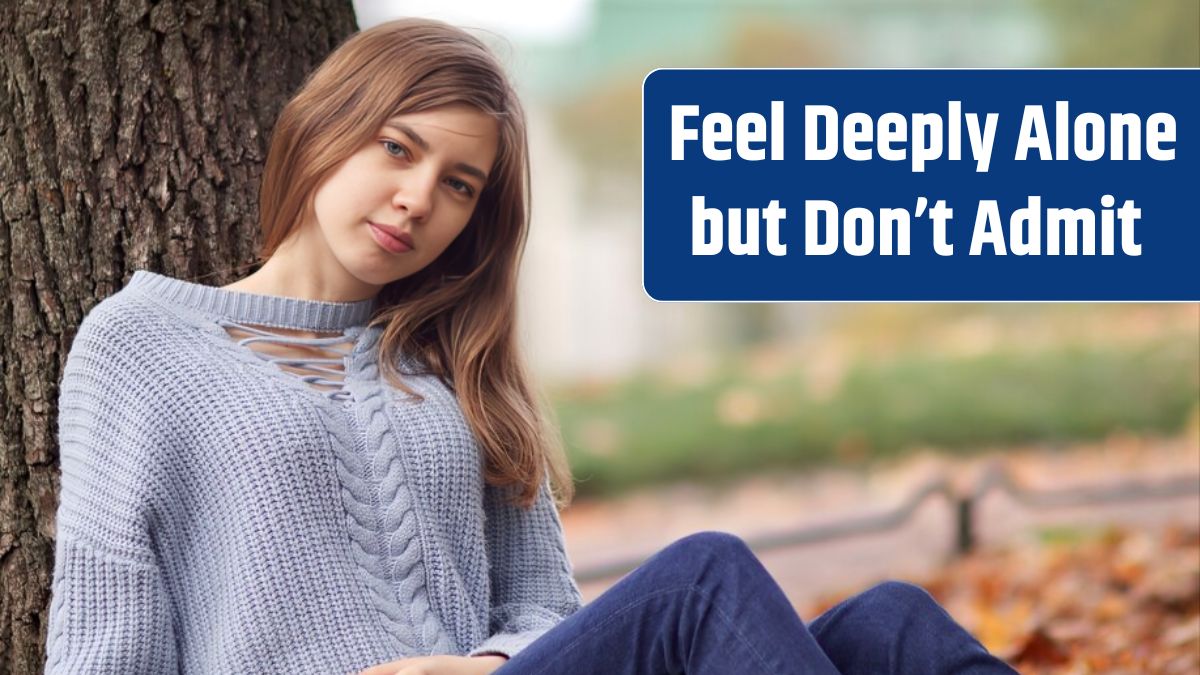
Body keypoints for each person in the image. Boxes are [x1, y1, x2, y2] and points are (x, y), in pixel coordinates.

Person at [45, 17, 1018, 675]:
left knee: (891, 624)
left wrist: (488, 662)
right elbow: (104, 653)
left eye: (459, 184)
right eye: (397, 147)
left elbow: (546, 607)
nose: (418, 199)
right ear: (323, 129)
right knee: (705, 575)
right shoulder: (141, 346)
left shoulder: (454, 360)